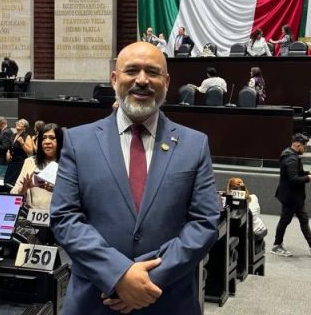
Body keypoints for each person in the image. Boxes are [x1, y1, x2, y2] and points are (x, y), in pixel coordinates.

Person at [51, 42, 219, 314]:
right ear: (115, 79)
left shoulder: (194, 144)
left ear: (166, 82)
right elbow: (65, 218)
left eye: (152, 72)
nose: (142, 80)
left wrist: (148, 280)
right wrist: (119, 275)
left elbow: (204, 223)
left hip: (167, 299)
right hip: (95, 300)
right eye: (132, 70)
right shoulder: (77, 141)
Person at [272, 133, 311, 258]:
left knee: (303, 219)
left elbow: (296, 173)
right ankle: (277, 245)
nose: (305, 149)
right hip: (290, 197)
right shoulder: (291, 159)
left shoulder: (291, 155)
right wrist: (308, 178)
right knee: (285, 221)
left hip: (295, 196)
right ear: (298, 145)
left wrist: (308, 172)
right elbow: (293, 179)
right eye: (304, 147)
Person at [12, 123, 64, 209]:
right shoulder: (30, 162)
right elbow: (15, 192)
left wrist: (56, 190)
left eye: (52, 138)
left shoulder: (68, 164)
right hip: (31, 214)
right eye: (44, 138)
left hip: (58, 215)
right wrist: (23, 189)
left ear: (60, 140)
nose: (47, 142)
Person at [227, 177, 267, 243]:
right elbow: (258, 214)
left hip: (250, 232)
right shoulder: (254, 197)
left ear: (229, 190)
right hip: (257, 227)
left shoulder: (229, 205)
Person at [6, 118, 34, 185]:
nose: (18, 123)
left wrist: (22, 143)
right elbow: (10, 147)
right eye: (18, 122)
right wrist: (8, 153)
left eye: (21, 123)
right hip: (12, 162)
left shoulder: (27, 136)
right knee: (7, 181)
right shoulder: (13, 135)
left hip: (20, 164)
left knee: (14, 183)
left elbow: (30, 152)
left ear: (25, 127)